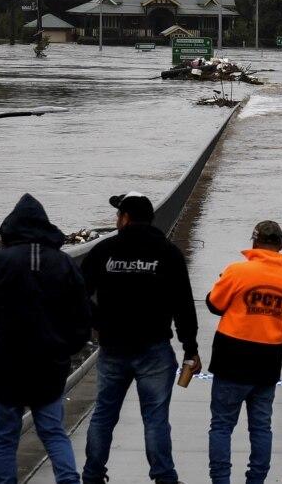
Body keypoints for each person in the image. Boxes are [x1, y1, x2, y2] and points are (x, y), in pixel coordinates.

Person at [0, 194, 92, 484]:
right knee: (53, 432)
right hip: (48, 366)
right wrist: (66, 350)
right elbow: (83, 316)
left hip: (4, 366)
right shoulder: (63, 263)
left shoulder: (0, 260)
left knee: (5, 438)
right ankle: (69, 481)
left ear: (9, 231)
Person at [80, 192, 200, 484]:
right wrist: (190, 348)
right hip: (154, 348)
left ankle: (93, 474)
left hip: (112, 347)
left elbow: (76, 293)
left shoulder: (104, 250)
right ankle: (163, 477)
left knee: (104, 416)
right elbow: (183, 303)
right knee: (156, 417)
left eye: (117, 215)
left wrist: (98, 321)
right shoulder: (168, 252)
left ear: (125, 218)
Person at [204, 220, 282, 484]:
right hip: (268, 360)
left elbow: (214, 304)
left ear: (254, 242)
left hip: (231, 357)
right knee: (261, 426)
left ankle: (221, 480)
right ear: (281, 246)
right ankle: (256, 480)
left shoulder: (237, 271)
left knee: (222, 425)